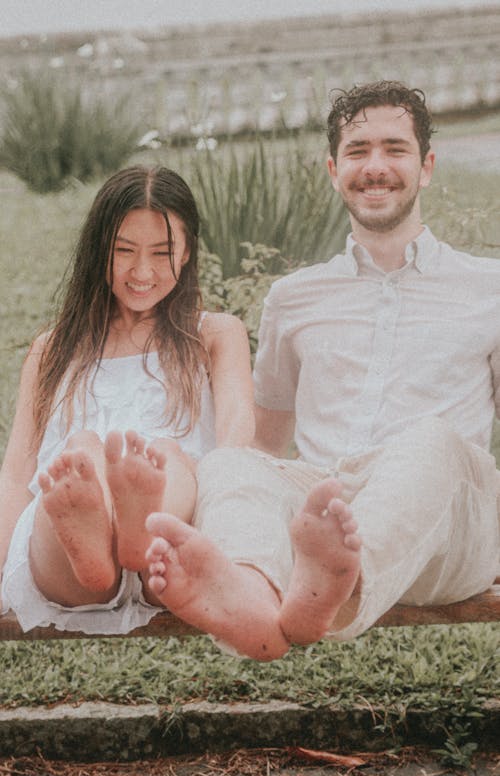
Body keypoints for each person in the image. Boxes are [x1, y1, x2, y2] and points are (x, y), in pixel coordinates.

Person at [145, 80, 500, 661]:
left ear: (427, 166)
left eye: (395, 149)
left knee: (431, 439)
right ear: (334, 170)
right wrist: (233, 488)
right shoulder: (293, 297)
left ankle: (341, 587)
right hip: (325, 508)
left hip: (441, 528)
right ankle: (254, 590)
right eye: (358, 151)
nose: (375, 167)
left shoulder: (491, 287)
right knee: (231, 459)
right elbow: (268, 436)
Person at [0, 165, 254, 634]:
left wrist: (233, 541)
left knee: (169, 459)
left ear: (188, 251)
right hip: (65, 562)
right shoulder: (53, 349)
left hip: (176, 546)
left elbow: (235, 446)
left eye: (162, 253)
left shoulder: (215, 335)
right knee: (81, 456)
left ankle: (139, 532)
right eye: (124, 252)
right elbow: (18, 470)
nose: (142, 272)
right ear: (99, 251)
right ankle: (97, 558)